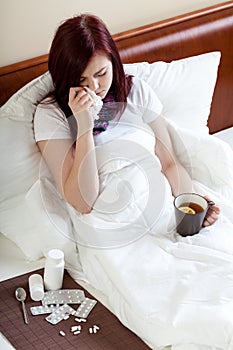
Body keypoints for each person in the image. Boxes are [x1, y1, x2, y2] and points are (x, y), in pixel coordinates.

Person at [33, 13, 220, 229]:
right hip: (108, 223)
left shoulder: (136, 92)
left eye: (101, 73)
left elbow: (169, 163)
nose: (94, 87)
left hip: (160, 207)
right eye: (81, 80)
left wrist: (190, 203)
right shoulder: (50, 114)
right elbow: (82, 202)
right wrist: (84, 126)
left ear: (113, 61)